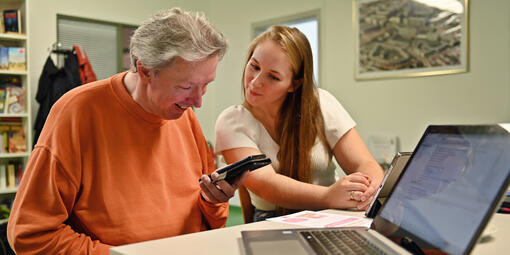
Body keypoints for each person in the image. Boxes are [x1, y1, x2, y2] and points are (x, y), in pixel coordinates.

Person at [8, 8, 247, 254]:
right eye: (186, 86)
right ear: (144, 70)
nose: (198, 102)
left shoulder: (183, 114)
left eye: (206, 85)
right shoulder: (76, 112)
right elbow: (31, 234)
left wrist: (213, 201)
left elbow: (211, 220)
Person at [215, 26, 384, 222]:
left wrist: (370, 189)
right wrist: (328, 196)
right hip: (272, 219)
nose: (255, 82)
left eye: (273, 76)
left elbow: (364, 163)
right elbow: (266, 184)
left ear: (294, 84)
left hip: (332, 212)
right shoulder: (231, 121)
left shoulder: (322, 102)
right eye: (254, 66)